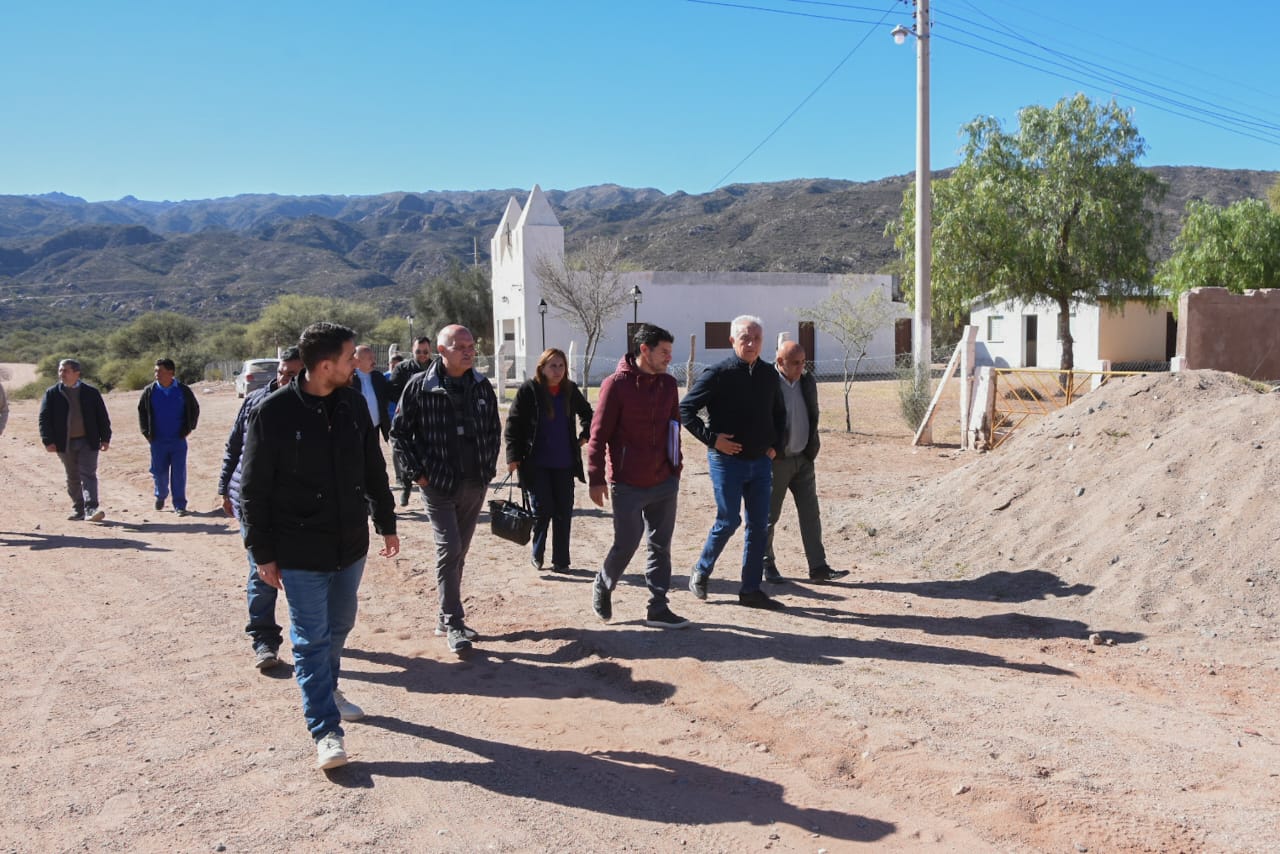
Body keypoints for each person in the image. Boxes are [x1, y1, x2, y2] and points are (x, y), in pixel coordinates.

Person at [240, 322, 399, 771]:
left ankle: (327, 686)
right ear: (325, 365)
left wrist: (385, 521)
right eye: (350, 358)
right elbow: (252, 489)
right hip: (298, 548)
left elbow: (373, 468)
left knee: (341, 622)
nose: (357, 365)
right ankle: (326, 731)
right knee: (311, 640)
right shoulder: (273, 413)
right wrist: (262, 552)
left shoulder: (352, 404)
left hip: (350, 544)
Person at [391, 324, 500, 655]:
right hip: (437, 484)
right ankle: (453, 622)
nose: (469, 351)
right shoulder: (419, 387)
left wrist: (487, 469)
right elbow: (399, 434)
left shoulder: (481, 387)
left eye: (471, 345)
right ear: (442, 350)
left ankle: (445, 616)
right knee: (449, 548)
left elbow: (494, 429)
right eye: (460, 346)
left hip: (473, 482)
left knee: (459, 552)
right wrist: (419, 474)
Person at [680, 315, 787, 610]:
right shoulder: (718, 373)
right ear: (732, 341)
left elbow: (779, 414)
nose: (751, 344)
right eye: (745, 338)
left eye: (756, 338)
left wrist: (775, 446)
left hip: (761, 464)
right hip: (726, 462)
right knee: (729, 521)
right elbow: (686, 410)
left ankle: (751, 590)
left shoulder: (768, 375)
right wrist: (713, 440)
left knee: (758, 525)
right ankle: (701, 570)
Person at [586, 324, 689, 628]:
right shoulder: (615, 385)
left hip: (664, 482)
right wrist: (595, 477)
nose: (670, 358)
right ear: (644, 350)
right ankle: (604, 584)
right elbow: (597, 435)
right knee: (626, 543)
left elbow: (675, 429)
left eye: (670, 352)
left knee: (661, 546)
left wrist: (676, 467)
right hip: (627, 483)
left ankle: (657, 606)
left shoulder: (669, 385)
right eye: (664, 352)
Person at [218, 347, 303, 670]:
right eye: (282, 372)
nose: (284, 379)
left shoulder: (312, 406)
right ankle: (264, 640)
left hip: (294, 505)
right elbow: (234, 445)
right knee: (261, 571)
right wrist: (225, 486)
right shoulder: (255, 401)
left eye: (292, 374)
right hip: (253, 502)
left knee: (300, 574)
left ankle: (306, 636)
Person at [763, 341, 850, 584]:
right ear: (780, 362)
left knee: (811, 514)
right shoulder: (767, 383)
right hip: (776, 461)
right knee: (769, 515)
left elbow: (812, 414)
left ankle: (818, 567)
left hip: (803, 458)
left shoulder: (807, 381)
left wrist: (812, 449)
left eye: (803, 362)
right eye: (795, 363)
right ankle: (766, 563)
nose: (801, 367)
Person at [504, 348, 593, 573]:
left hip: (564, 463)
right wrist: (513, 457)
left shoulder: (570, 390)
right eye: (552, 366)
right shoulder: (529, 390)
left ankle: (561, 560)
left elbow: (588, 413)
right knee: (542, 511)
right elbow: (513, 424)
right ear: (542, 368)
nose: (557, 370)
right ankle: (537, 552)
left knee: (563, 511)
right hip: (536, 464)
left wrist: (585, 435)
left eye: (561, 366)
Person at [39, 359, 112, 522]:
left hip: (88, 441)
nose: (61, 374)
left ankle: (91, 508)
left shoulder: (91, 392)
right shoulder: (52, 393)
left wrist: (105, 438)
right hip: (64, 442)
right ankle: (79, 508)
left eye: (66, 371)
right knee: (72, 476)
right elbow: (44, 418)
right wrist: (47, 440)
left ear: (76, 373)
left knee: (88, 474)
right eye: (60, 370)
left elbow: (102, 416)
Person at [137, 358, 200, 516]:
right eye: (156, 371)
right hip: (157, 440)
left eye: (160, 371)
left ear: (171, 373)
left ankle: (179, 504)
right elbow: (142, 412)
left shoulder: (183, 390)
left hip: (178, 439)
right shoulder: (149, 391)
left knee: (179, 472)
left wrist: (189, 428)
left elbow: (194, 408)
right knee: (159, 471)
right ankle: (161, 494)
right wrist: (146, 432)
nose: (156, 374)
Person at [387, 336, 434, 506]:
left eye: (425, 351)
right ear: (412, 351)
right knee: (406, 451)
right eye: (418, 351)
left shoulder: (436, 367)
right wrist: (407, 400)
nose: (422, 355)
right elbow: (391, 391)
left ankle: (429, 488)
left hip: (428, 416)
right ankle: (406, 487)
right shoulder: (402, 368)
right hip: (407, 416)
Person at [352, 344, 392, 442]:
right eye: (370, 358)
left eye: (373, 358)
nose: (374, 361)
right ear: (358, 361)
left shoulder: (378, 377)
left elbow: (385, 398)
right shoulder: (349, 379)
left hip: (374, 428)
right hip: (355, 430)